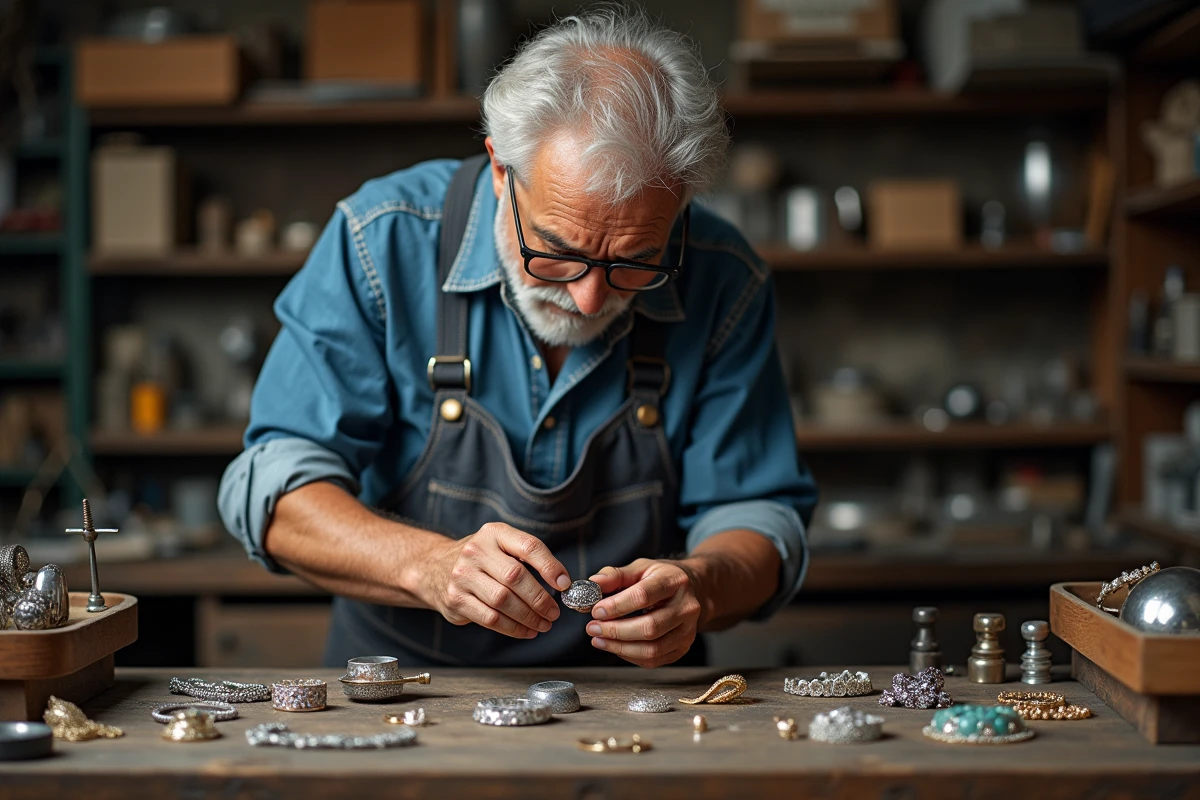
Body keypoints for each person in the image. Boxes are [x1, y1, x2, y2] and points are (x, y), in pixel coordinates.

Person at [218, 7, 816, 668]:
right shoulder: (382, 241)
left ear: (679, 203)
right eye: (557, 253)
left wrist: (702, 586)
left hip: (635, 699)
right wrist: (427, 566)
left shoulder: (723, 277)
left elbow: (759, 519)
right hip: (401, 687)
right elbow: (273, 491)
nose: (590, 299)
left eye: (635, 262)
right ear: (502, 171)